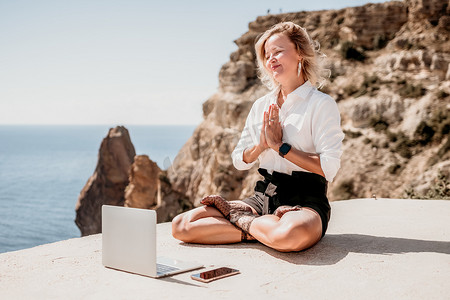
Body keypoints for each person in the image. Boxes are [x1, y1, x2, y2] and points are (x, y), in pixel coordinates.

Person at [172, 21, 344, 252]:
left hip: (305, 201)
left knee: (291, 235)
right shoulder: (261, 105)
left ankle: (245, 223)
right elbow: (239, 159)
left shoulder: (321, 104)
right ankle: (260, 228)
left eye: (278, 51)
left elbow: (328, 168)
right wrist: (261, 146)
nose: (271, 59)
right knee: (182, 225)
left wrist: (280, 147)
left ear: (300, 53)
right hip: (263, 196)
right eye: (267, 55)